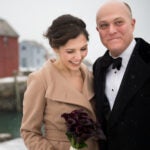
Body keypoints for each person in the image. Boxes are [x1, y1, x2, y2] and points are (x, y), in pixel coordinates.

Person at [20, 14, 100, 150]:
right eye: (70, 51)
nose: (78, 57)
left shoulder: (92, 76)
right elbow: (29, 132)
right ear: (55, 48)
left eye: (83, 49)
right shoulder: (40, 80)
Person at [93, 0, 150, 150]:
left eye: (118, 22)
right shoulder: (98, 66)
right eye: (104, 25)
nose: (111, 30)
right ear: (98, 30)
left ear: (132, 23)